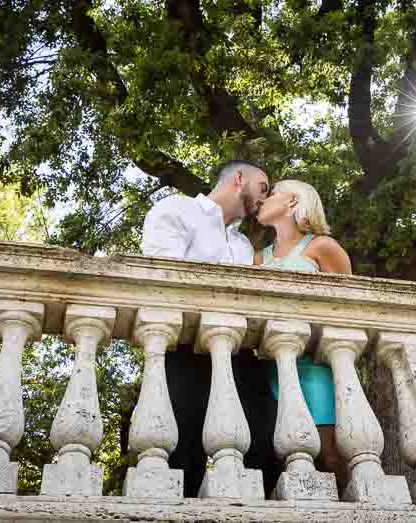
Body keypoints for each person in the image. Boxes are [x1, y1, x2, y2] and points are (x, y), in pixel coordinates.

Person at [141, 160, 281, 497]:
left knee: (266, 450)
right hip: (185, 350)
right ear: (238, 179)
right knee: (181, 456)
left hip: (241, 358)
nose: (264, 198)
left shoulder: (245, 246)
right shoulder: (177, 209)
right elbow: (164, 280)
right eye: (262, 188)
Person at [253, 179, 352, 492]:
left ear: (293, 201)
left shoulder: (323, 247)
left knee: (331, 455)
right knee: (285, 455)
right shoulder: (257, 259)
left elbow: (348, 311)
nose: (262, 200)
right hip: (269, 368)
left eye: (271, 194)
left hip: (314, 367)